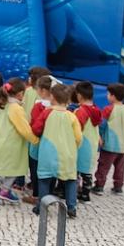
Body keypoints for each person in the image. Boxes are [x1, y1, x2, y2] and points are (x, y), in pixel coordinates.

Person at [0, 78, 39, 207]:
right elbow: (23, 128)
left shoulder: (3, 103)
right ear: (19, 94)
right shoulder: (16, 108)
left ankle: (5, 190)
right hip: (9, 144)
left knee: (14, 167)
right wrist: (35, 139)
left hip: (3, 142)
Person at [33, 83, 83, 218]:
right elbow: (78, 137)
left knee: (44, 179)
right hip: (68, 154)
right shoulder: (72, 116)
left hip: (48, 153)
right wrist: (73, 147)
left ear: (52, 97)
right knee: (70, 180)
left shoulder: (47, 112)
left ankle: (41, 207)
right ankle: (72, 207)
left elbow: (36, 129)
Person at [94, 83, 124, 195]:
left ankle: (99, 185)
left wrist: (100, 137)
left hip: (109, 145)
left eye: (108, 94)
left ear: (113, 96)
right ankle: (118, 187)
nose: (107, 96)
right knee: (120, 167)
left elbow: (102, 125)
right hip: (123, 146)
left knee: (103, 165)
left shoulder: (108, 109)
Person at [73, 81, 102, 202]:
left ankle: (74, 193)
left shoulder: (82, 111)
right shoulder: (95, 109)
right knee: (87, 170)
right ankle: (85, 194)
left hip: (82, 144)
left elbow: (77, 127)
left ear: (79, 95)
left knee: (76, 170)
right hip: (93, 143)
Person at [26, 75, 54, 202]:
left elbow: (35, 124)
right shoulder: (58, 106)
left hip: (38, 143)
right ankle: (50, 194)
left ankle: (36, 194)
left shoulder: (39, 106)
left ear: (42, 90)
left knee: (35, 168)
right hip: (52, 144)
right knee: (51, 170)